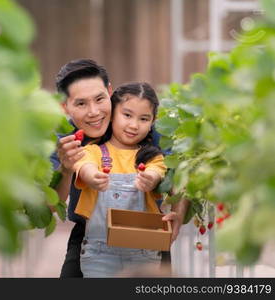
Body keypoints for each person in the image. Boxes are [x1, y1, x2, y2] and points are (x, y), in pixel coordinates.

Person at [51, 59, 187, 278]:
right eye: (81, 104)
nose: (94, 112)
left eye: (99, 99)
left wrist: (178, 214)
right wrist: (69, 170)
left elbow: (174, 174)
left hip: (147, 241)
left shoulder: (151, 132)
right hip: (94, 242)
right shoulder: (67, 140)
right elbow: (52, 202)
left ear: (110, 92)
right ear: (65, 107)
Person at [72, 82, 168, 277]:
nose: (134, 125)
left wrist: (150, 179)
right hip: (99, 253)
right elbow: (83, 165)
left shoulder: (153, 157)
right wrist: (92, 177)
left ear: (152, 122)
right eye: (127, 115)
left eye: (144, 119)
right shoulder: (93, 152)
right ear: (112, 113)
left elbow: (157, 171)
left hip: (143, 254)